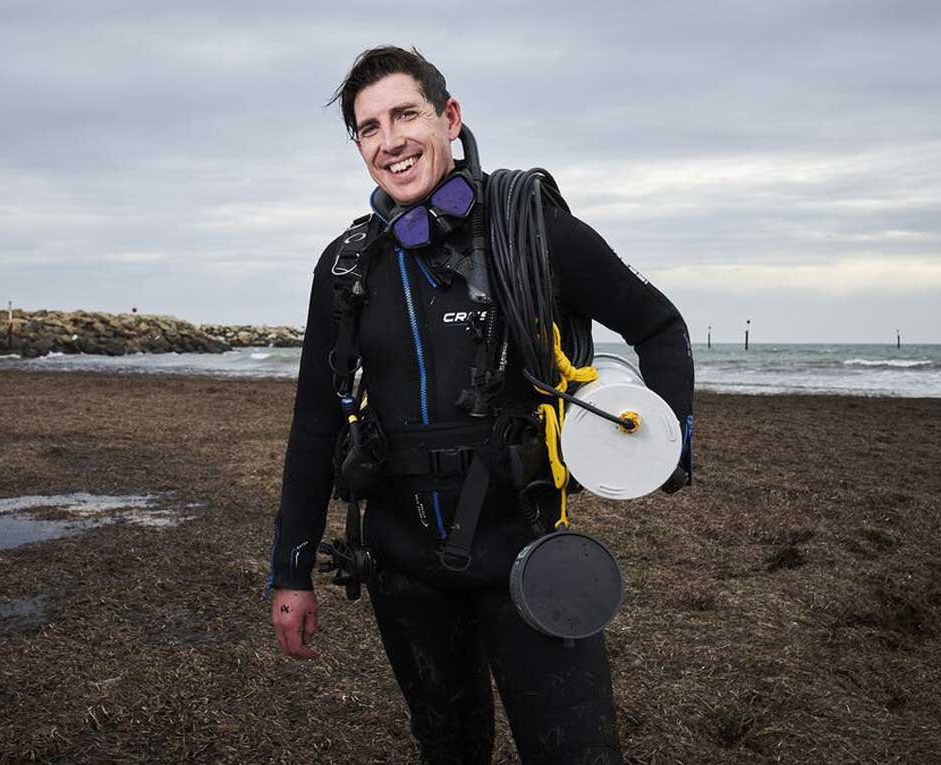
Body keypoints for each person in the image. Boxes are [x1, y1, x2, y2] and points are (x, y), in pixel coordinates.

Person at [269, 46, 694, 764]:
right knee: (449, 748)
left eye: (406, 114)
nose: (390, 140)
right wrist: (290, 570)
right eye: (369, 128)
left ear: (451, 118)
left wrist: (668, 440)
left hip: (530, 554)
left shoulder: (531, 230)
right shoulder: (348, 266)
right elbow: (315, 421)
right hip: (404, 567)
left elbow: (659, 327)